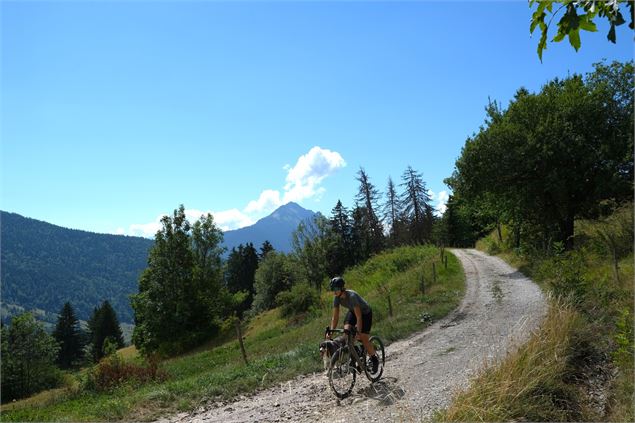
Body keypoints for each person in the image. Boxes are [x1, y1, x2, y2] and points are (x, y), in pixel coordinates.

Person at [327, 276, 379, 373]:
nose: (334, 291)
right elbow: (335, 317)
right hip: (353, 312)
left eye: (336, 289)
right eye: (333, 289)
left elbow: (359, 317)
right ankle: (357, 352)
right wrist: (331, 331)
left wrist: (358, 331)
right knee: (346, 333)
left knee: (363, 337)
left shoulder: (352, 296)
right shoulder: (337, 298)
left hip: (365, 313)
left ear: (342, 288)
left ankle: (374, 359)